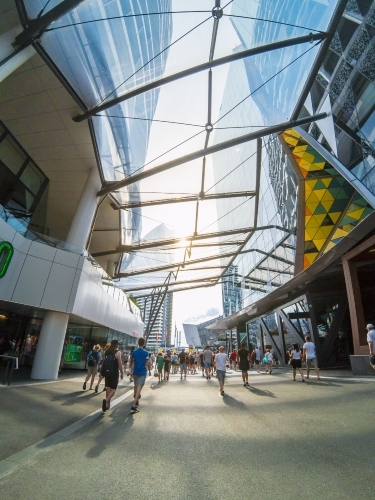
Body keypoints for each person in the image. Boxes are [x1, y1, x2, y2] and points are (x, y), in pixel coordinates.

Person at [100, 340, 123, 412]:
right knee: (113, 389)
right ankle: (106, 400)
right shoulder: (118, 352)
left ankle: (107, 405)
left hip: (107, 372)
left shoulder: (107, 351)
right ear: (116, 345)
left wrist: (102, 372)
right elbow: (120, 364)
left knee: (108, 387)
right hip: (114, 373)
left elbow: (104, 362)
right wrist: (122, 373)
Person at [130, 338, 150, 413]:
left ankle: (136, 398)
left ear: (138, 343)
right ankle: (134, 405)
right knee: (139, 387)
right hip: (142, 372)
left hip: (135, 371)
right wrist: (149, 369)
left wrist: (131, 371)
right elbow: (147, 362)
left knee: (136, 386)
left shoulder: (134, 352)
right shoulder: (146, 352)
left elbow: (132, 361)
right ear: (144, 343)